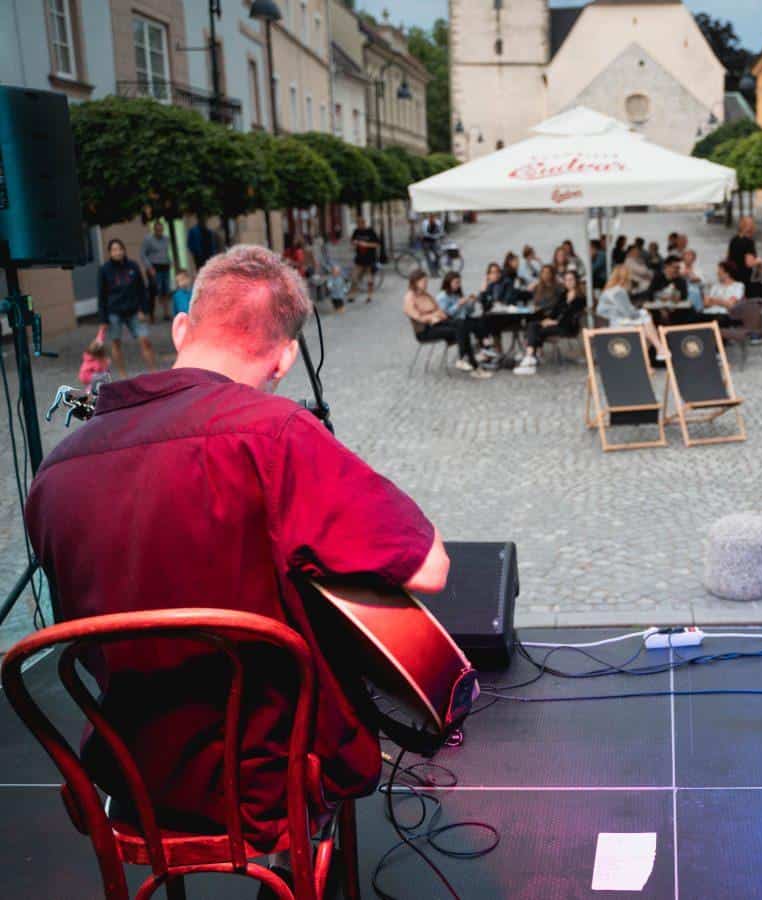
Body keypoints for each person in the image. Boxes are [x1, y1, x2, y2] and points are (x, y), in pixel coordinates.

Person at [26, 244, 451, 861]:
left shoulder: (56, 469)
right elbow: (429, 567)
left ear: (180, 328)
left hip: (127, 774)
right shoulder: (276, 435)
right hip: (267, 781)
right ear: (283, 359)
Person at [98, 238, 158, 379]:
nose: (117, 252)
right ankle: (123, 376)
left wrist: (145, 310)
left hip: (134, 310)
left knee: (145, 341)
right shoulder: (104, 270)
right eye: (114, 250)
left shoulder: (133, 266)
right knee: (116, 343)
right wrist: (103, 319)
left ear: (124, 250)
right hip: (114, 312)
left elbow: (142, 289)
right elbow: (101, 295)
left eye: (120, 249)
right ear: (109, 253)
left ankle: (154, 373)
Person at [516, 269, 586, 375]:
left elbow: (571, 316)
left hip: (568, 327)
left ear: (576, 281)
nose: (568, 282)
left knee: (536, 330)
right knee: (533, 325)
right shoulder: (564, 294)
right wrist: (549, 319)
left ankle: (530, 358)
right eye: (566, 280)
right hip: (557, 323)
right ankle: (530, 356)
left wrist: (555, 322)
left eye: (571, 280)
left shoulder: (580, 298)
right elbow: (555, 310)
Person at [596, 265, 665, 357]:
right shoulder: (619, 291)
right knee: (647, 319)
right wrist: (642, 311)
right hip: (618, 324)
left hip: (615, 322)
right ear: (626, 277)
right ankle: (659, 348)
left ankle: (658, 350)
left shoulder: (608, 291)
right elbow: (629, 314)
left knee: (646, 329)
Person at [438, 272, 493, 378]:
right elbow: (445, 314)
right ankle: (476, 357)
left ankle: (484, 346)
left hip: (463, 320)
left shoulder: (457, 294)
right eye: (456, 283)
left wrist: (471, 302)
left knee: (481, 320)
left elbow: (469, 312)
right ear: (448, 283)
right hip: (452, 323)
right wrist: (458, 304)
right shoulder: (442, 296)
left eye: (459, 283)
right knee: (465, 329)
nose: (458, 285)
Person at [141, 221, 173, 320]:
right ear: (154, 230)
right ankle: (151, 314)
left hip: (165, 266)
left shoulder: (166, 239)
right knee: (154, 291)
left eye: (161, 230)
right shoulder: (148, 239)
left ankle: (166, 313)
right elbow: (143, 254)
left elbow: (166, 252)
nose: (160, 232)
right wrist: (149, 267)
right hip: (153, 268)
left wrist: (170, 261)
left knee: (166, 291)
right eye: (157, 230)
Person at [727, 216, 762, 292]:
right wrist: (759, 261)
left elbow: (728, 257)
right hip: (744, 277)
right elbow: (749, 263)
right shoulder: (749, 242)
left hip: (732, 274)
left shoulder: (734, 239)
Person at [350, 217, 381, 303]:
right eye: (358, 224)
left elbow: (377, 244)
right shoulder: (356, 231)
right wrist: (355, 243)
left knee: (369, 278)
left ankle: (369, 296)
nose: (359, 225)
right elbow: (352, 241)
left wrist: (366, 244)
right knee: (354, 277)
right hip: (359, 258)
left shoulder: (370, 231)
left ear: (364, 223)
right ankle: (352, 295)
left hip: (370, 258)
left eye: (361, 224)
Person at [78, 325, 111, 391]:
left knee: (101, 378)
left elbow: (99, 339)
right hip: (87, 376)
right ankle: (92, 392)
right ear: (99, 355)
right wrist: (107, 362)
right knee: (103, 377)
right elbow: (103, 368)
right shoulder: (97, 362)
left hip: (85, 375)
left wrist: (102, 330)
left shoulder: (91, 353)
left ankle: (91, 390)